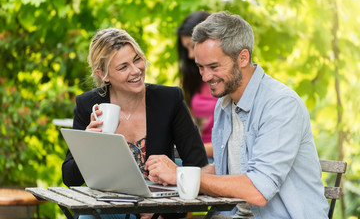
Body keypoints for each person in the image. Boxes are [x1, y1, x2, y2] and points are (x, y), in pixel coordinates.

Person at [145, 11, 329, 218]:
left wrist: (181, 174)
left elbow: (258, 190)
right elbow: (225, 170)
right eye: (200, 67)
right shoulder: (225, 103)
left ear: (242, 57)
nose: (205, 77)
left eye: (214, 66)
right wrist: (166, 176)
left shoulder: (280, 105)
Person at [62, 28, 208, 219]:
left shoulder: (169, 100)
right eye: (123, 67)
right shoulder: (89, 105)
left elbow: (199, 165)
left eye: (137, 59)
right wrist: (89, 145)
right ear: (103, 74)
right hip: (107, 211)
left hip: (158, 213)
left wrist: (162, 210)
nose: (136, 70)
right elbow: (69, 178)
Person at [177, 11, 217, 159]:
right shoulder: (197, 79)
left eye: (191, 46)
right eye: (186, 48)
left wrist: (192, 149)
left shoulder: (227, 79)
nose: (190, 55)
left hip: (217, 156)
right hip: (197, 155)